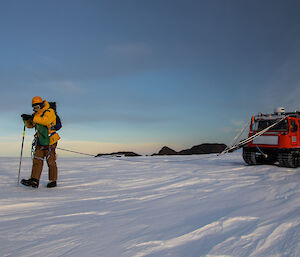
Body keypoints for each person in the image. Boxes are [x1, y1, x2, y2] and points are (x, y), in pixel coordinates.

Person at [21, 96, 61, 188]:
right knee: (37, 160)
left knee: (50, 161)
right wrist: (26, 120)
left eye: (37, 107)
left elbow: (46, 121)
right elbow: (31, 125)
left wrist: (33, 117)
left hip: (50, 140)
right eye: (34, 107)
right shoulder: (36, 114)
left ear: (41, 105)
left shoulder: (49, 112)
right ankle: (34, 180)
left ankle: (53, 180)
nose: (35, 109)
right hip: (40, 140)